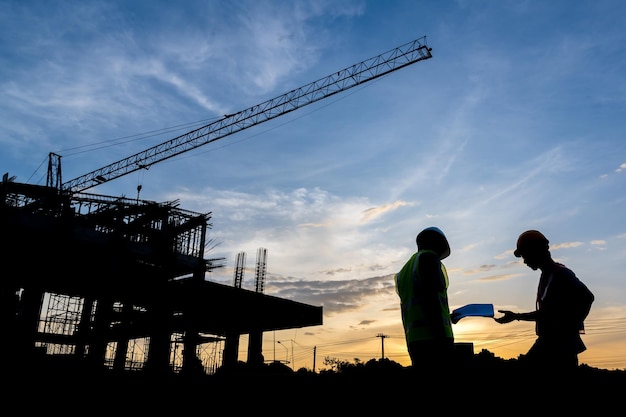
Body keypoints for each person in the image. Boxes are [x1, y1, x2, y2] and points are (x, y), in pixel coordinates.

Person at [495, 230, 594, 374]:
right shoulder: (547, 276)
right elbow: (546, 314)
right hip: (550, 343)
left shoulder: (561, 274)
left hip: (558, 345)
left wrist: (571, 325)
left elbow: (587, 297)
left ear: (536, 250)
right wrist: (516, 316)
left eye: (525, 255)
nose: (525, 261)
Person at [394, 226, 454, 373]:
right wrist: (441, 338)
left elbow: (417, 303)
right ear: (437, 243)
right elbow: (431, 298)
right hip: (434, 339)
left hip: (415, 341)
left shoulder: (404, 271)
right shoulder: (429, 258)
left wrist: (448, 316)